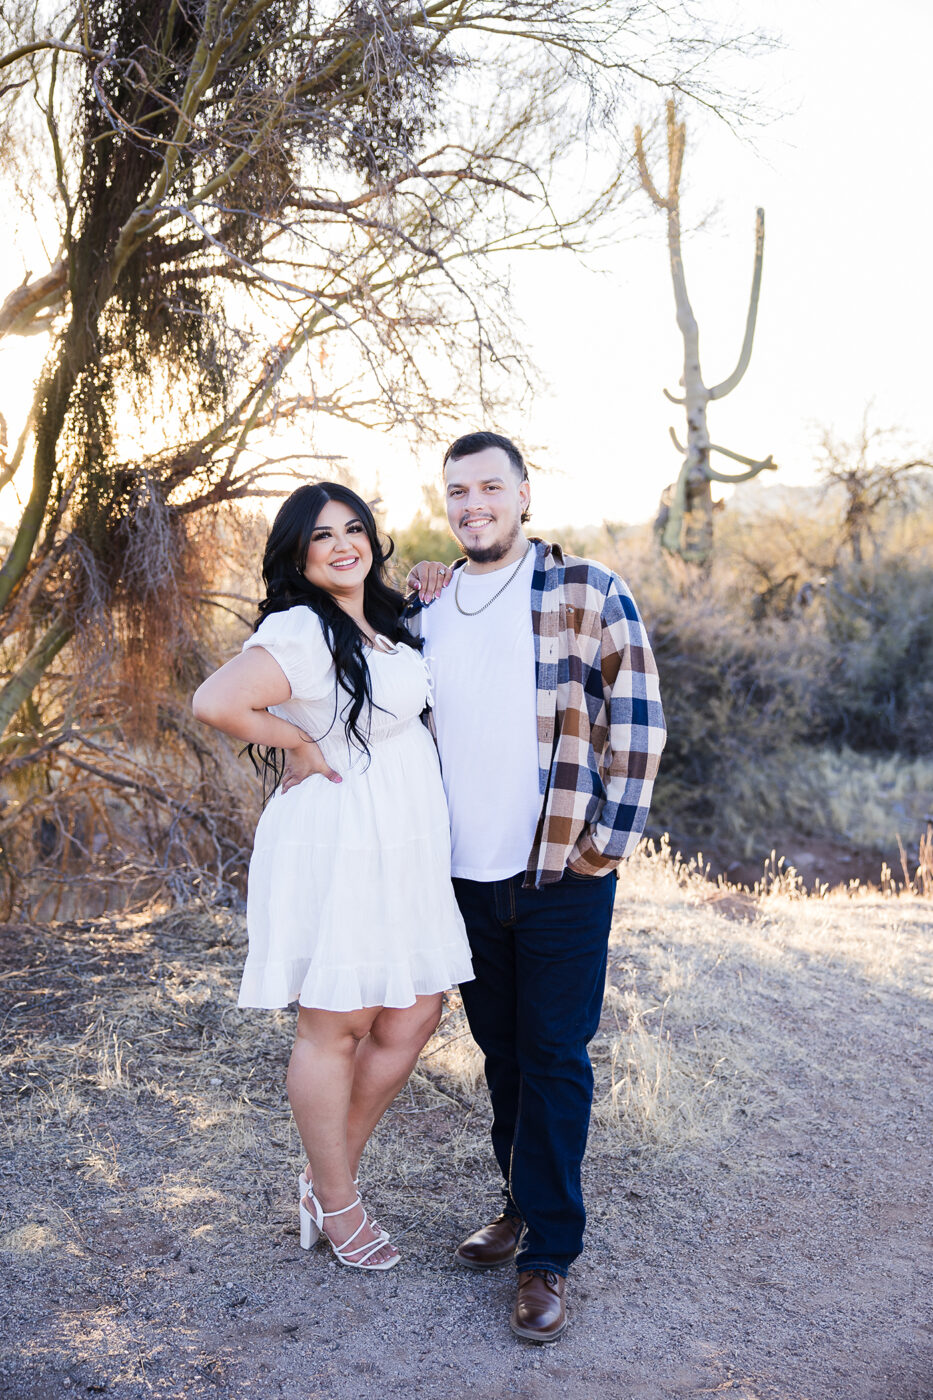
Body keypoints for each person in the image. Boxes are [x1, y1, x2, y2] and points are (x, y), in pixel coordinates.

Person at [286, 432, 667, 1340]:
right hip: (458, 878)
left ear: (524, 495)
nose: (473, 505)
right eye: (457, 492)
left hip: (558, 874)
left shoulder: (588, 591)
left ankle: (549, 1258)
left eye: (489, 487)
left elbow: (639, 724)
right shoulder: (426, 605)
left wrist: (601, 851)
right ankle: (519, 1205)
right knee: (501, 1051)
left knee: (556, 1057)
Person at [192, 482, 473, 1273]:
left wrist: (434, 579)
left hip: (405, 840)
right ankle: (341, 1203)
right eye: (322, 537)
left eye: (354, 529)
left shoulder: (383, 621)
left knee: (413, 1013)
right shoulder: (299, 628)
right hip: (341, 835)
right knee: (337, 1025)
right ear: (298, 555)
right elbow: (215, 700)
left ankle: (323, 1179)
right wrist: (298, 743)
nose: (343, 545)